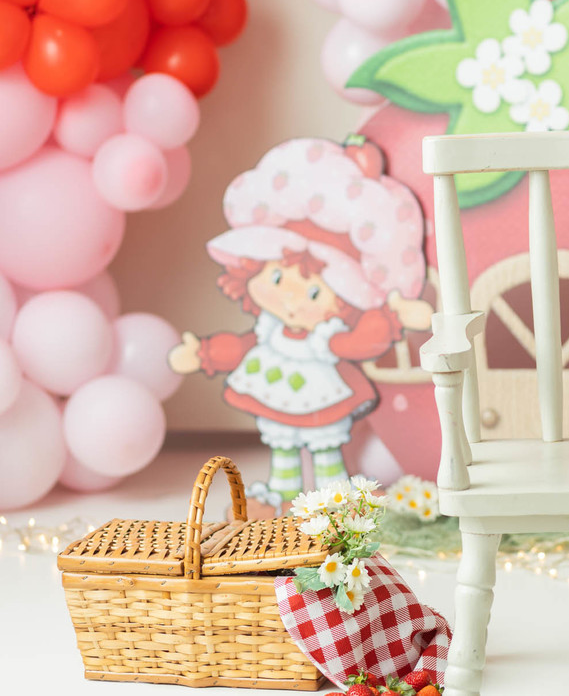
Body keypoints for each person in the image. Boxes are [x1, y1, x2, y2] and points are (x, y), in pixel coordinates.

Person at [169, 136, 433, 512]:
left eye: (312, 293)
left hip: (323, 398)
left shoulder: (326, 336)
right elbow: (242, 347)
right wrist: (205, 352)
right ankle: (279, 500)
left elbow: (358, 342)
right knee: (283, 452)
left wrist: (392, 318)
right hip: (274, 394)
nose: (291, 300)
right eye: (276, 278)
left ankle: (338, 500)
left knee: (327, 451)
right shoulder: (269, 330)